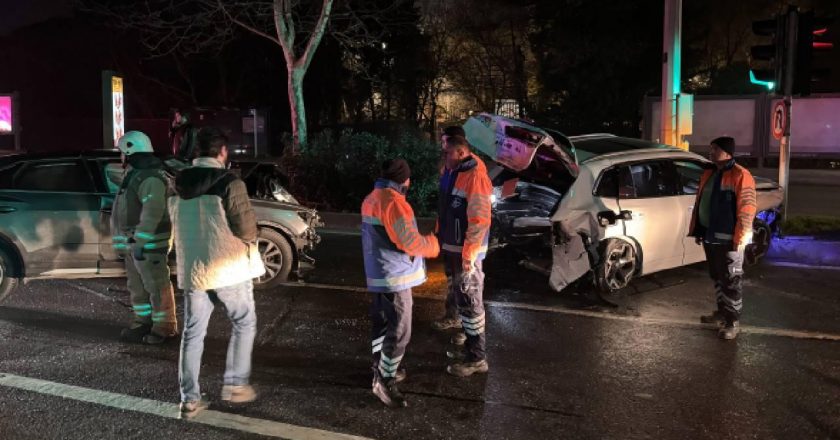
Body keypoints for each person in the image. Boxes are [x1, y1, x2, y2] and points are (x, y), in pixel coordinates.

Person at [168, 127, 265, 418]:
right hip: (227, 268)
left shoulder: (177, 183)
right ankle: (236, 384)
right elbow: (246, 230)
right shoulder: (229, 182)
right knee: (244, 321)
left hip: (195, 270)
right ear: (222, 153)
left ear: (196, 153)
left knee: (193, 334)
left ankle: (189, 399)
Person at [361, 158, 440, 408]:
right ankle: (385, 381)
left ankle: (379, 367)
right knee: (400, 331)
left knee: (382, 326)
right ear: (404, 180)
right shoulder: (393, 202)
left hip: (379, 274)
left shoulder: (372, 197)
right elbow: (410, 242)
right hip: (395, 277)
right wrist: (434, 244)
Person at [112, 131, 178, 345]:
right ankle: (143, 322)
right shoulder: (136, 174)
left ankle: (165, 327)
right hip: (136, 243)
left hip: (149, 244)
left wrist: (140, 241)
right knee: (138, 287)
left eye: (122, 153)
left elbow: (153, 212)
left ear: (131, 152)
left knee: (156, 286)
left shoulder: (150, 177)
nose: (120, 157)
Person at [689, 136, 757, 340]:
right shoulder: (709, 173)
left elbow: (747, 209)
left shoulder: (741, 175)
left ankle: (732, 321)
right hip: (711, 237)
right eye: (710, 148)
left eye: (715, 149)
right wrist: (700, 231)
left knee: (731, 281)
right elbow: (703, 202)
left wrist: (740, 238)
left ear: (727, 152)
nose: (711, 152)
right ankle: (722, 312)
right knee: (718, 277)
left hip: (730, 240)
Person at [437, 135, 493, 376]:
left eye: (447, 152)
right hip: (456, 248)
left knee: (471, 302)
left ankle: (477, 358)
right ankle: (471, 350)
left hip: (466, 252)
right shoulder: (457, 172)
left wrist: (468, 257)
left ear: (460, 153)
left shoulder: (475, 176)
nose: (444, 157)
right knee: (465, 301)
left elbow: (479, 220)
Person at [431, 125, 468, 337]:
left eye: (445, 143)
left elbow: (476, 213)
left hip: (463, 240)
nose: (442, 147)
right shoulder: (449, 168)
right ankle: (453, 315)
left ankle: (467, 327)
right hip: (448, 235)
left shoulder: (471, 171)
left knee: (464, 283)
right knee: (452, 279)